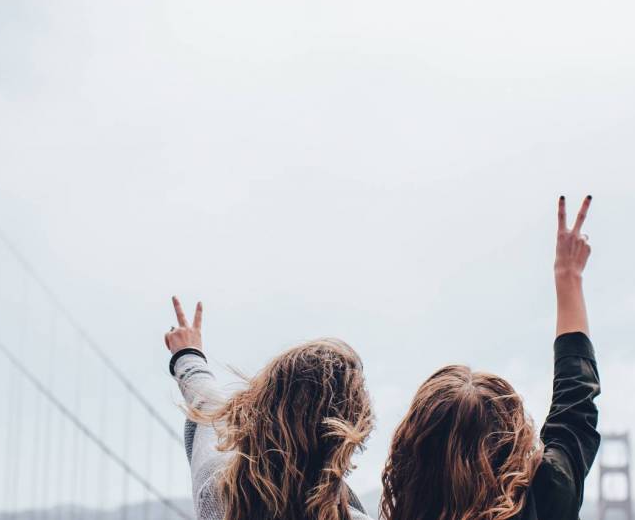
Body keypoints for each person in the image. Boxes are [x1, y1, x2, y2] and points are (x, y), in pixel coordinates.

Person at [381, 195, 602, 520]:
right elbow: (575, 408)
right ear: (513, 439)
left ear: (412, 455)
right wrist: (569, 277)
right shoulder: (547, 497)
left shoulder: (411, 506)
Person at [162, 296, 377, 520]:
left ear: (259, 408)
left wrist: (187, 354)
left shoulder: (216, 489)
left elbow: (207, 405)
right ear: (351, 431)